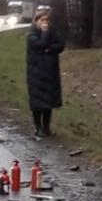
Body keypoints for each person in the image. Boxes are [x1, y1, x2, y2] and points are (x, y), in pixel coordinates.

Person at [25, 8, 64, 138]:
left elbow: (60, 45)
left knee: (48, 102)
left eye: (47, 20)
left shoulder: (52, 33)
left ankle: (47, 127)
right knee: (37, 103)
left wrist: (49, 49)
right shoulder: (32, 35)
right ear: (36, 21)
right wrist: (45, 35)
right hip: (36, 73)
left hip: (50, 72)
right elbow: (39, 44)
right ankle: (38, 127)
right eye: (42, 20)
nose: (45, 23)